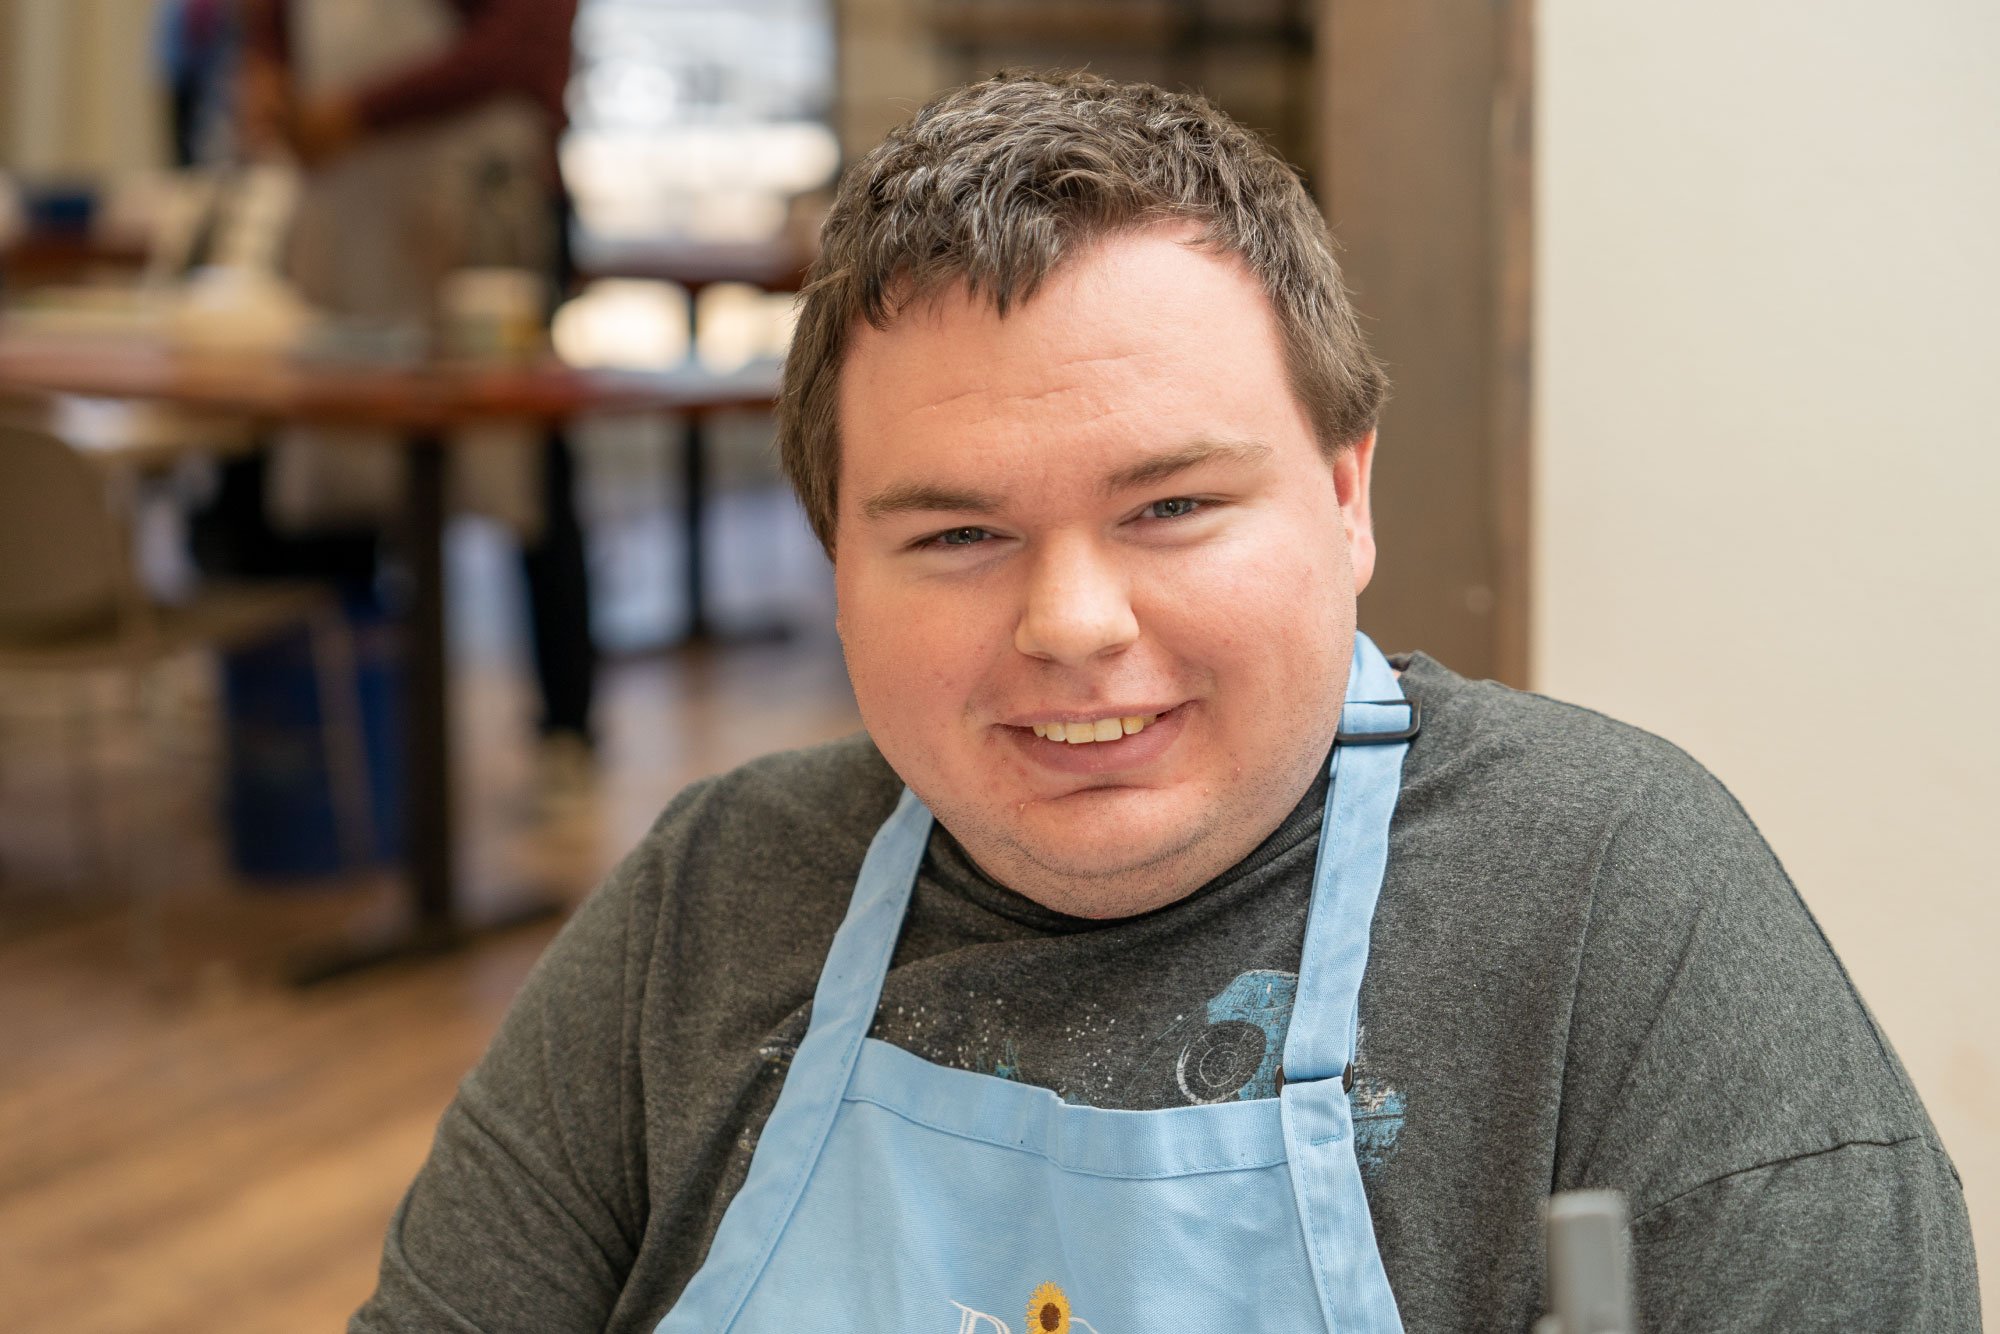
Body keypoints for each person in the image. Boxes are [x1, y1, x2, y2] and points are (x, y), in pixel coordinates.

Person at [350, 72, 1980, 1332]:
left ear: (1347, 496)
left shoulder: (1618, 908)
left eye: (1173, 507)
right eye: (958, 533)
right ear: (834, 558)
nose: (1073, 621)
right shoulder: (713, 905)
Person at [234, 0, 597, 788]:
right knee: (341, 463)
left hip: (478, 216)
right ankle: (349, 747)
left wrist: (357, 111)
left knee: (525, 462)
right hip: (350, 213)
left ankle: (565, 730)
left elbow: (520, 46)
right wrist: (265, 68)